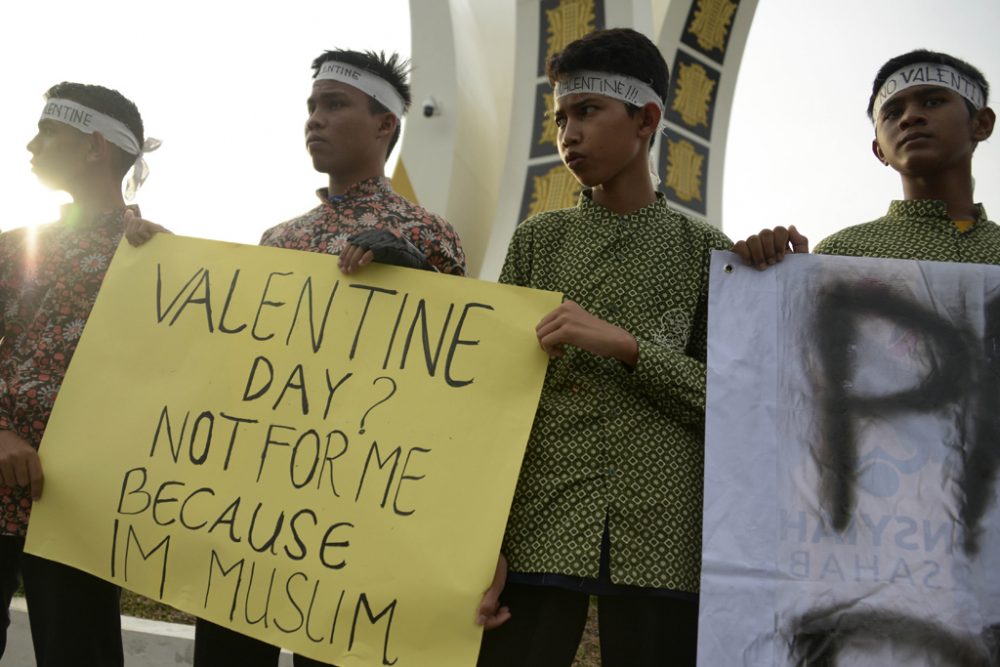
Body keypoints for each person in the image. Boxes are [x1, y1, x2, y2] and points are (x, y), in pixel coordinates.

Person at [129, 48, 463, 667]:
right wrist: (168, 264)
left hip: (356, 509)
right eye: (311, 106)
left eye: (334, 105)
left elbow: (447, 377)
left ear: (386, 123)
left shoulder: (428, 235)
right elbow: (234, 352)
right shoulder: (279, 238)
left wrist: (421, 277)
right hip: (256, 505)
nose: (315, 119)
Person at [475, 28, 731, 667]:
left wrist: (628, 348)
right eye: (561, 117)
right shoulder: (540, 240)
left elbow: (732, 402)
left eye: (588, 112)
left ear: (646, 119)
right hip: (541, 522)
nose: (569, 134)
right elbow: (498, 399)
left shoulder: (706, 251)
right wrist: (483, 541)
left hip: (664, 535)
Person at [0, 81, 156, 666]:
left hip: (83, 506)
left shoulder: (162, 261)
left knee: (79, 653)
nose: (30, 145)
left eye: (49, 131)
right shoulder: (15, 249)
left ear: (95, 148)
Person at [735, 49, 998, 266]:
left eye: (932, 102)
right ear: (879, 150)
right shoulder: (841, 253)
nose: (909, 118)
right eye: (893, 113)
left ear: (981, 123)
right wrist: (790, 283)